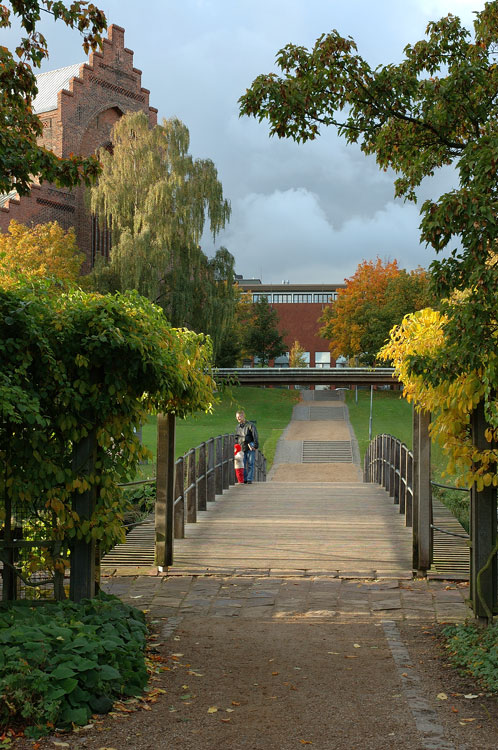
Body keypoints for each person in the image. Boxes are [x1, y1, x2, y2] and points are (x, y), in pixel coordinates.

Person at [235, 410, 259, 484]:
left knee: (251, 463)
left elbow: (255, 435)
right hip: (241, 447)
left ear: (243, 416)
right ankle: (244, 479)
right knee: (243, 463)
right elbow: (236, 437)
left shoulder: (250, 425)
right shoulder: (237, 427)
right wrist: (236, 446)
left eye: (239, 417)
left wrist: (255, 445)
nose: (238, 418)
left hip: (250, 446)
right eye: (237, 417)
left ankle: (249, 479)